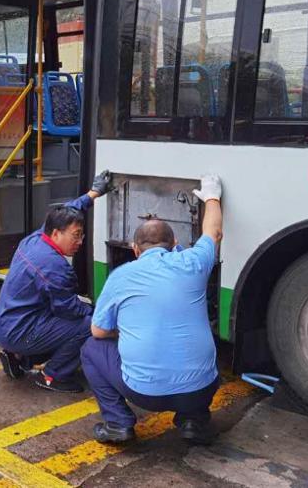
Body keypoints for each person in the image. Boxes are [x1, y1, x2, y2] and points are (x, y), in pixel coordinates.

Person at [80, 174, 223, 444]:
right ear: (175, 244)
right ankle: (194, 422)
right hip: (200, 390)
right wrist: (212, 196)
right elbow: (213, 232)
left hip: (144, 394)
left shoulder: (120, 277)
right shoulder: (193, 262)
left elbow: (98, 331)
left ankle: (118, 424)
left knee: (90, 349)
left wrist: (128, 334)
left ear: (135, 250)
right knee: (203, 339)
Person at [0, 171, 113, 393]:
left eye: (82, 236)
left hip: (7, 322)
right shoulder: (55, 267)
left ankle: (20, 358)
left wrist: (92, 194)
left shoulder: (36, 238)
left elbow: (69, 210)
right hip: (18, 330)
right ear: (57, 234)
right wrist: (100, 313)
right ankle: (53, 375)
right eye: (76, 235)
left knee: (64, 320)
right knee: (89, 325)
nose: (80, 242)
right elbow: (68, 309)